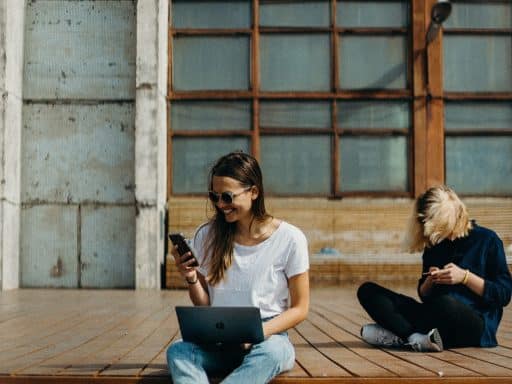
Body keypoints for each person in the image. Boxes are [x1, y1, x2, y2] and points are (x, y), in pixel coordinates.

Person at [167, 151, 310, 383]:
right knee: (179, 352)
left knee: (273, 353)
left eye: (227, 196)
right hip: (220, 337)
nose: (220, 205)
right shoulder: (207, 235)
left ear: (254, 192)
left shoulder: (290, 239)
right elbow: (204, 304)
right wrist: (191, 277)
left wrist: (255, 334)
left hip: (268, 336)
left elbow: (300, 308)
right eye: (214, 197)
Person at [357, 185, 512, 352]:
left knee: (445, 303)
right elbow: (424, 296)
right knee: (368, 291)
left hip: (474, 324)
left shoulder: (487, 240)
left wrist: (465, 277)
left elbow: (503, 295)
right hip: (434, 316)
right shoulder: (435, 243)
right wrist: (429, 283)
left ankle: (401, 334)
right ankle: (414, 338)